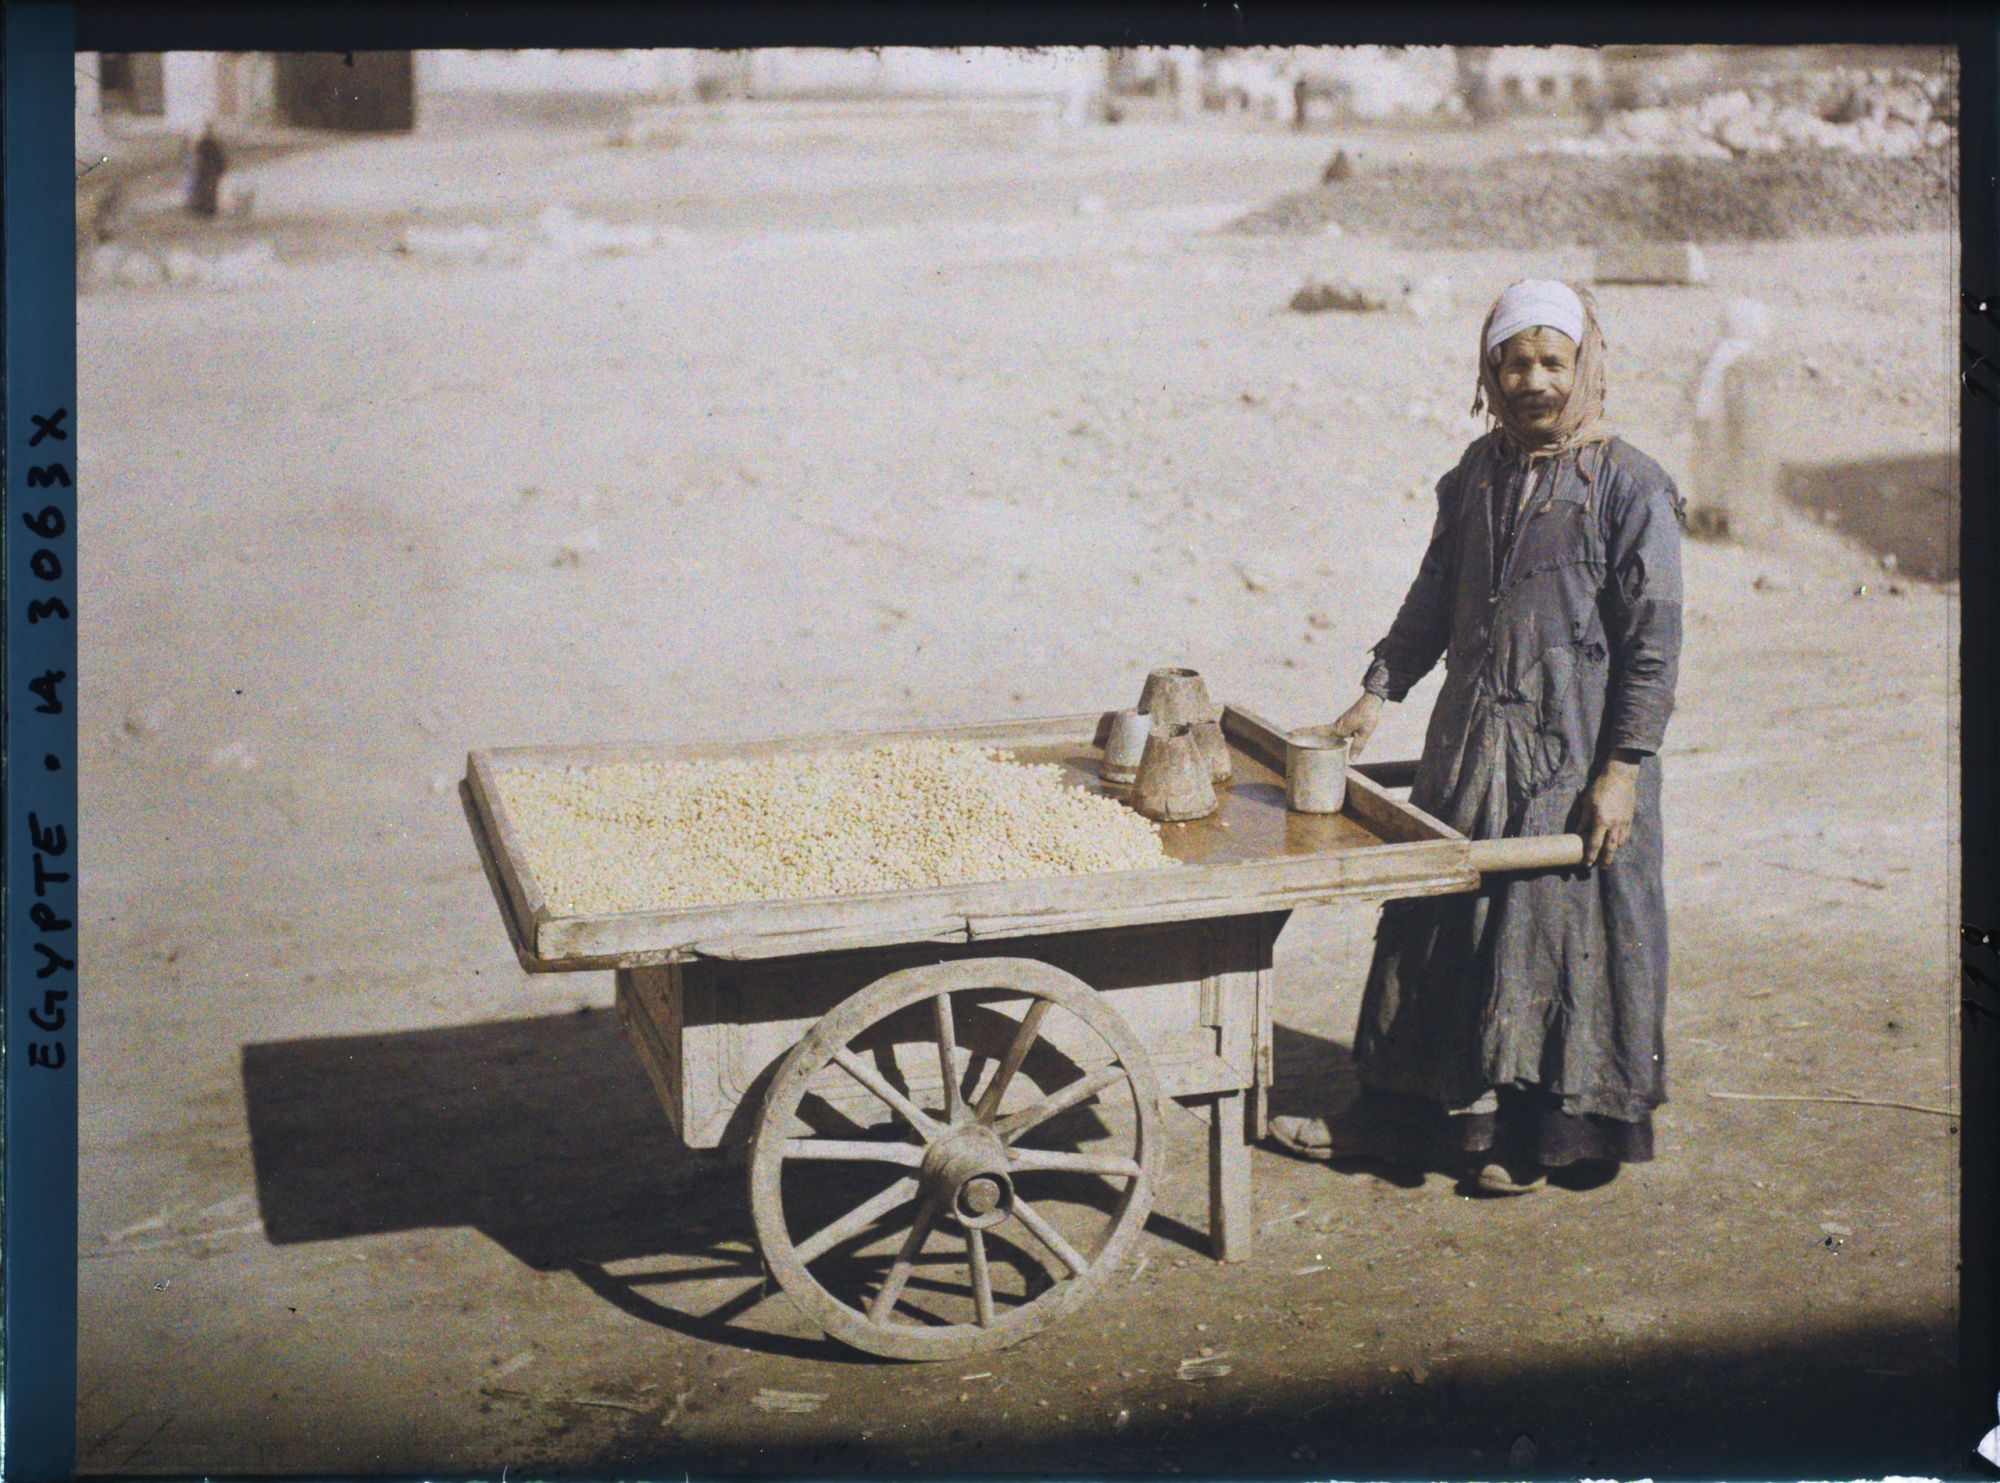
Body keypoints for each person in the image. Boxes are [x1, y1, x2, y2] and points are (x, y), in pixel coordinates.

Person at [1272, 278, 1686, 1196]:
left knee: (1555, 927)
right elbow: (1430, 595)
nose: (1532, 379)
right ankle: (1409, 1123)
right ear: (1490, 370)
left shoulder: (1632, 487)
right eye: (1515, 361)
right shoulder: (1475, 475)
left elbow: (1653, 647)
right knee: (1439, 917)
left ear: (1584, 367)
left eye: (1552, 361)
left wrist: (1620, 769)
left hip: (1577, 751)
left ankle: (1547, 1139)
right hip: (1472, 743)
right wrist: (1376, 693)